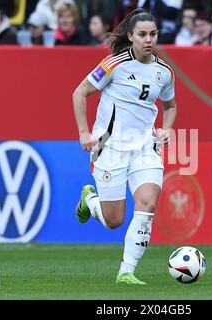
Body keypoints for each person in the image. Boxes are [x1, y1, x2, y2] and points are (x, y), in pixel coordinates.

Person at [72, 8, 177, 285]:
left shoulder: (164, 72)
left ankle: (126, 272)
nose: (148, 39)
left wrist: (167, 128)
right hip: (110, 147)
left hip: (145, 147)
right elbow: (79, 92)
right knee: (113, 221)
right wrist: (84, 133)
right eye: (142, 34)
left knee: (147, 205)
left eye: (152, 34)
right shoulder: (113, 64)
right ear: (130, 36)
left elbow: (171, 105)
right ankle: (89, 200)